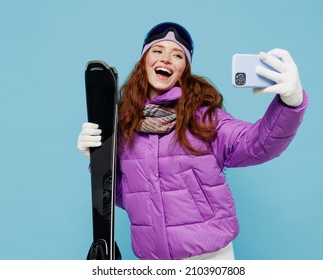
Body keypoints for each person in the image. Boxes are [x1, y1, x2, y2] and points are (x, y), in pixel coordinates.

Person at [77, 22, 308, 260]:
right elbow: (128, 197)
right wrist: (99, 159)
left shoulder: (204, 118)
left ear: (184, 69)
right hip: (153, 262)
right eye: (157, 51)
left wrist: (291, 102)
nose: (165, 59)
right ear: (143, 61)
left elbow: (258, 144)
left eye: (177, 55)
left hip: (209, 259)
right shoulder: (125, 124)